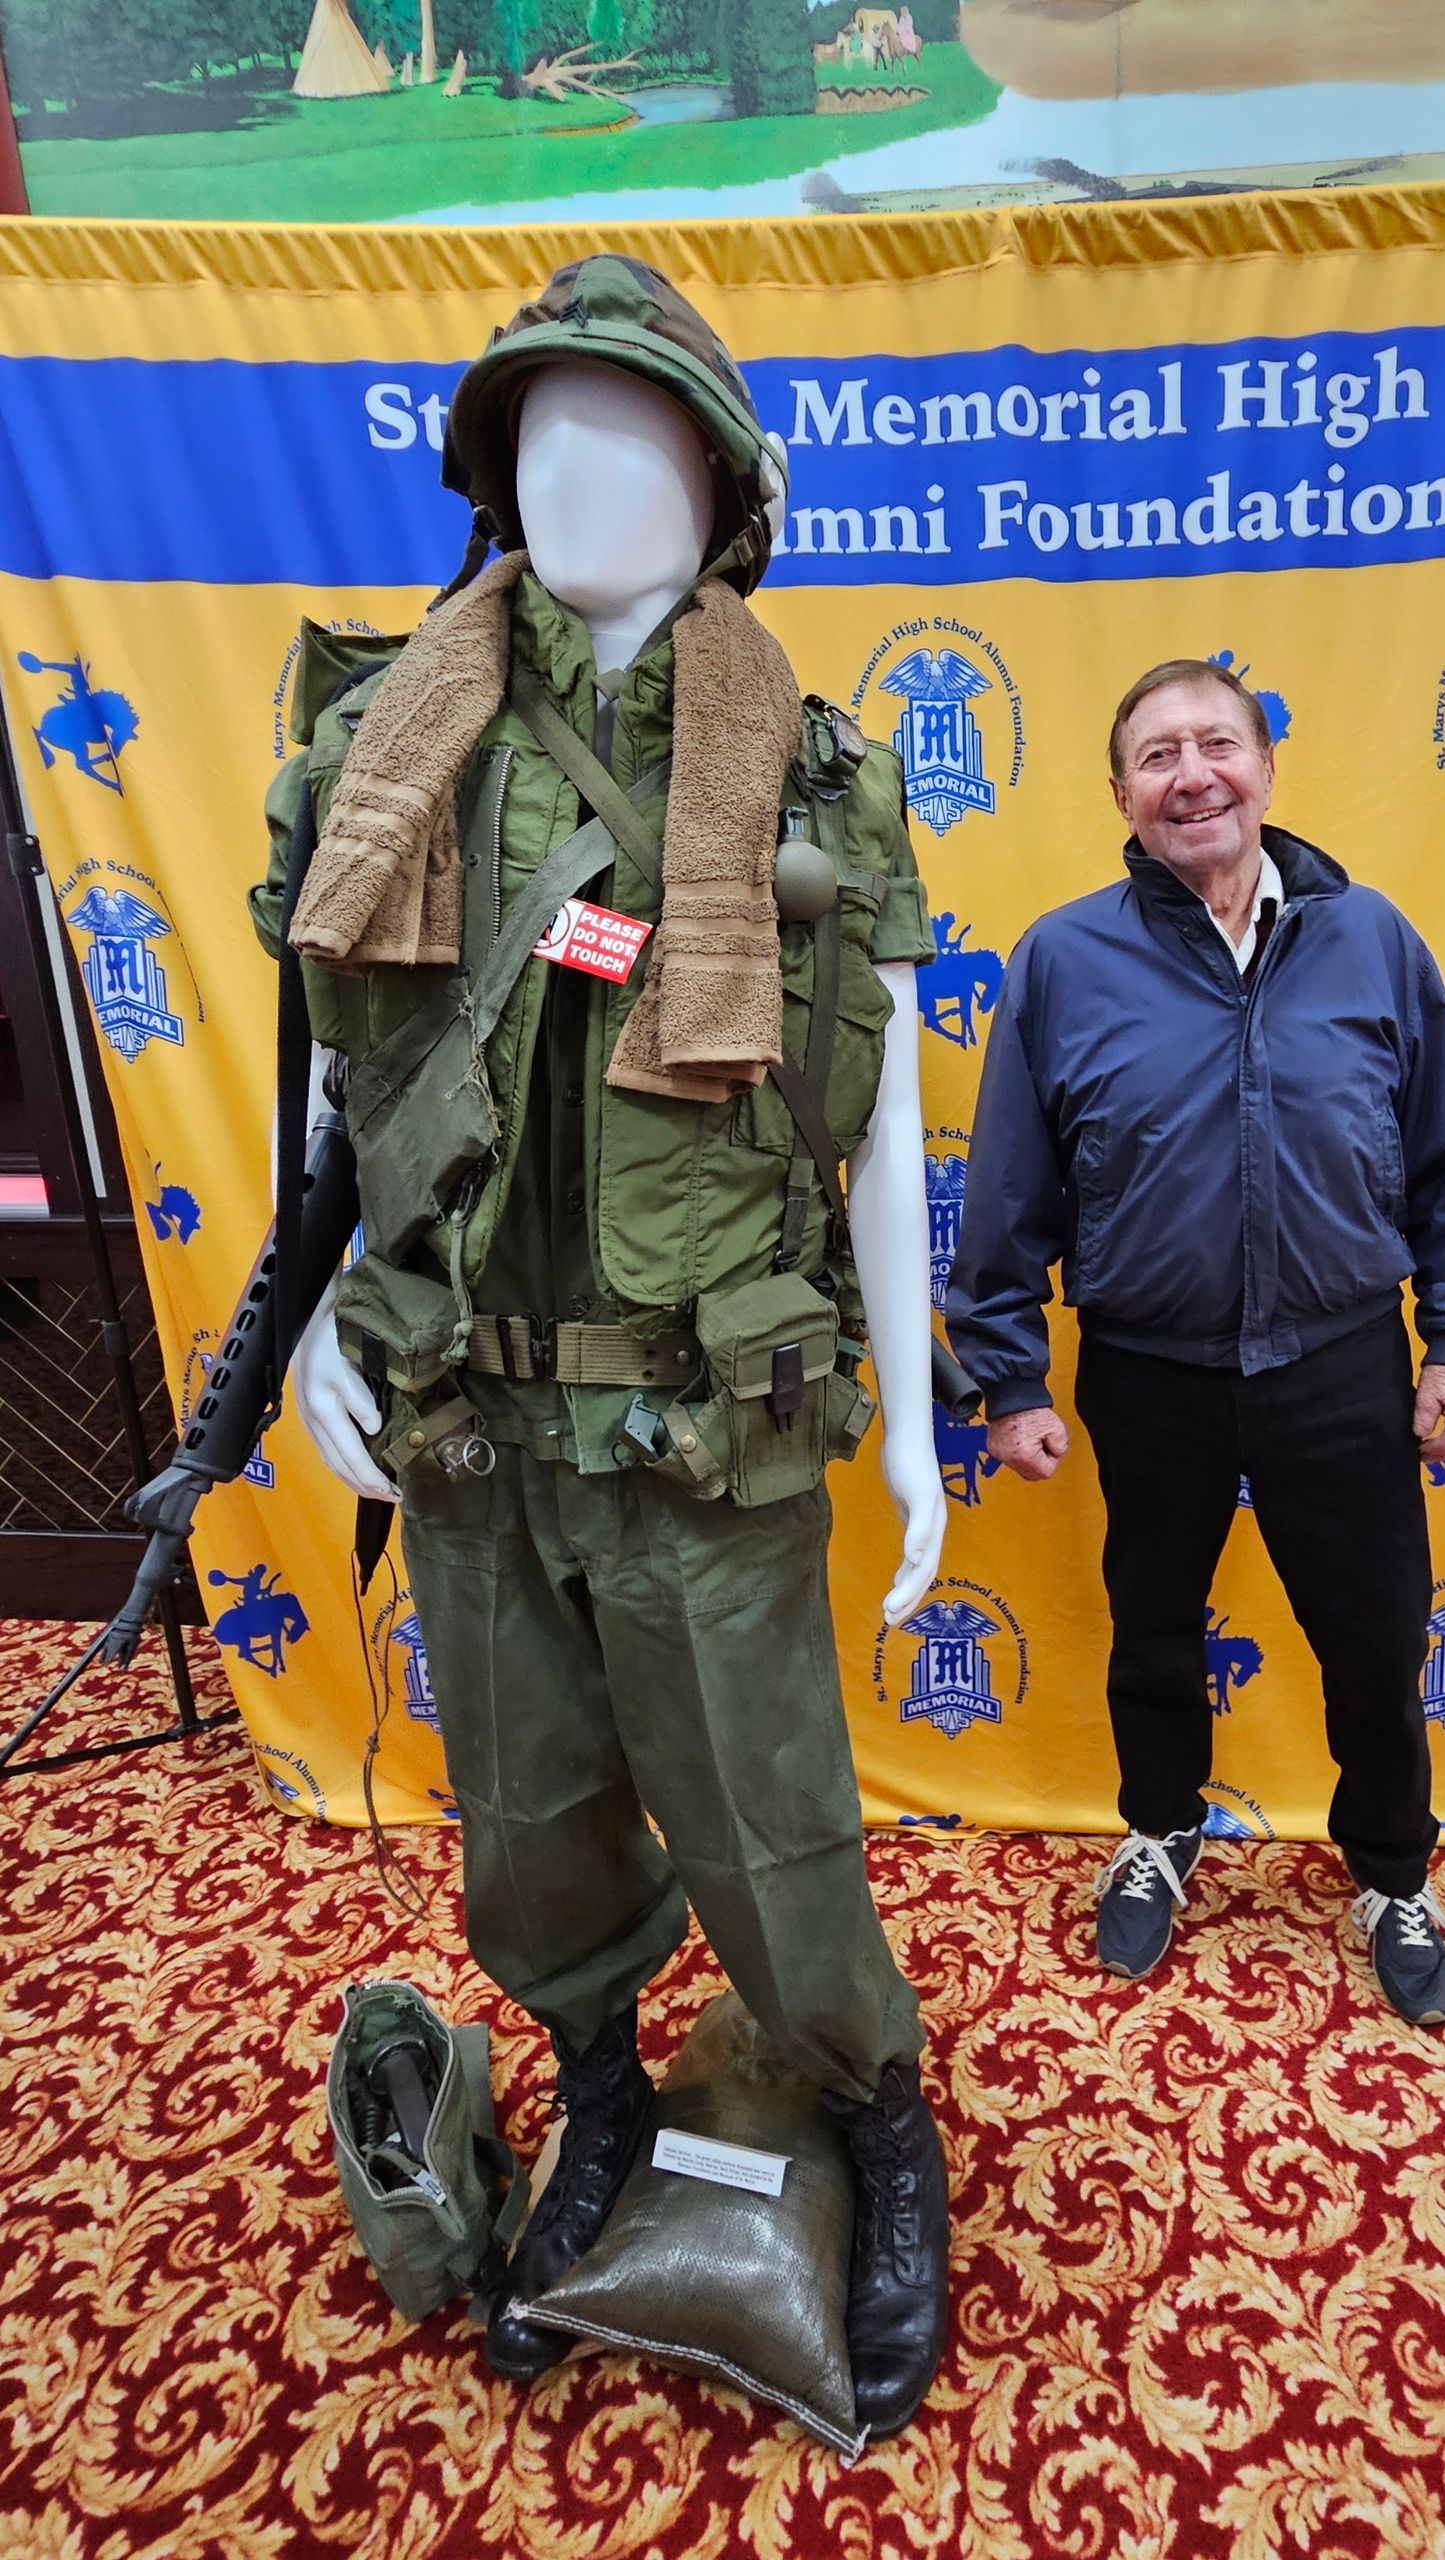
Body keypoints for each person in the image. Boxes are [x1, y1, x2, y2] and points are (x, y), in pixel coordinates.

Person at [250, 258, 948, 2431]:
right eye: (536, 429)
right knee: (532, 1818)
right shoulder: (384, 758)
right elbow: (340, 1098)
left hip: (698, 1423)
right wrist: (299, 1346)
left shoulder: (811, 790)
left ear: (721, 491)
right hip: (463, 1414)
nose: (573, 467)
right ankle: (597, 2084)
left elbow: (885, 1134)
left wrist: (914, 1428)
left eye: (628, 428)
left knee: (770, 1819)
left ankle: (881, 2117)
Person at [944, 657, 1445, 2026]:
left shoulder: (1372, 938)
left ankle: (1389, 1871)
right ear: (1123, 796)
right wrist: (1009, 1373)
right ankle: (1159, 1833)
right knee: (1150, 1632)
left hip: (1340, 1364)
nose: (1190, 773)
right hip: (1148, 1373)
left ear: (1266, 768)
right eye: (1156, 755)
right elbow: (1013, 1185)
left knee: (1374, 1643)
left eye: (1216, 745)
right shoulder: (1063, 960)